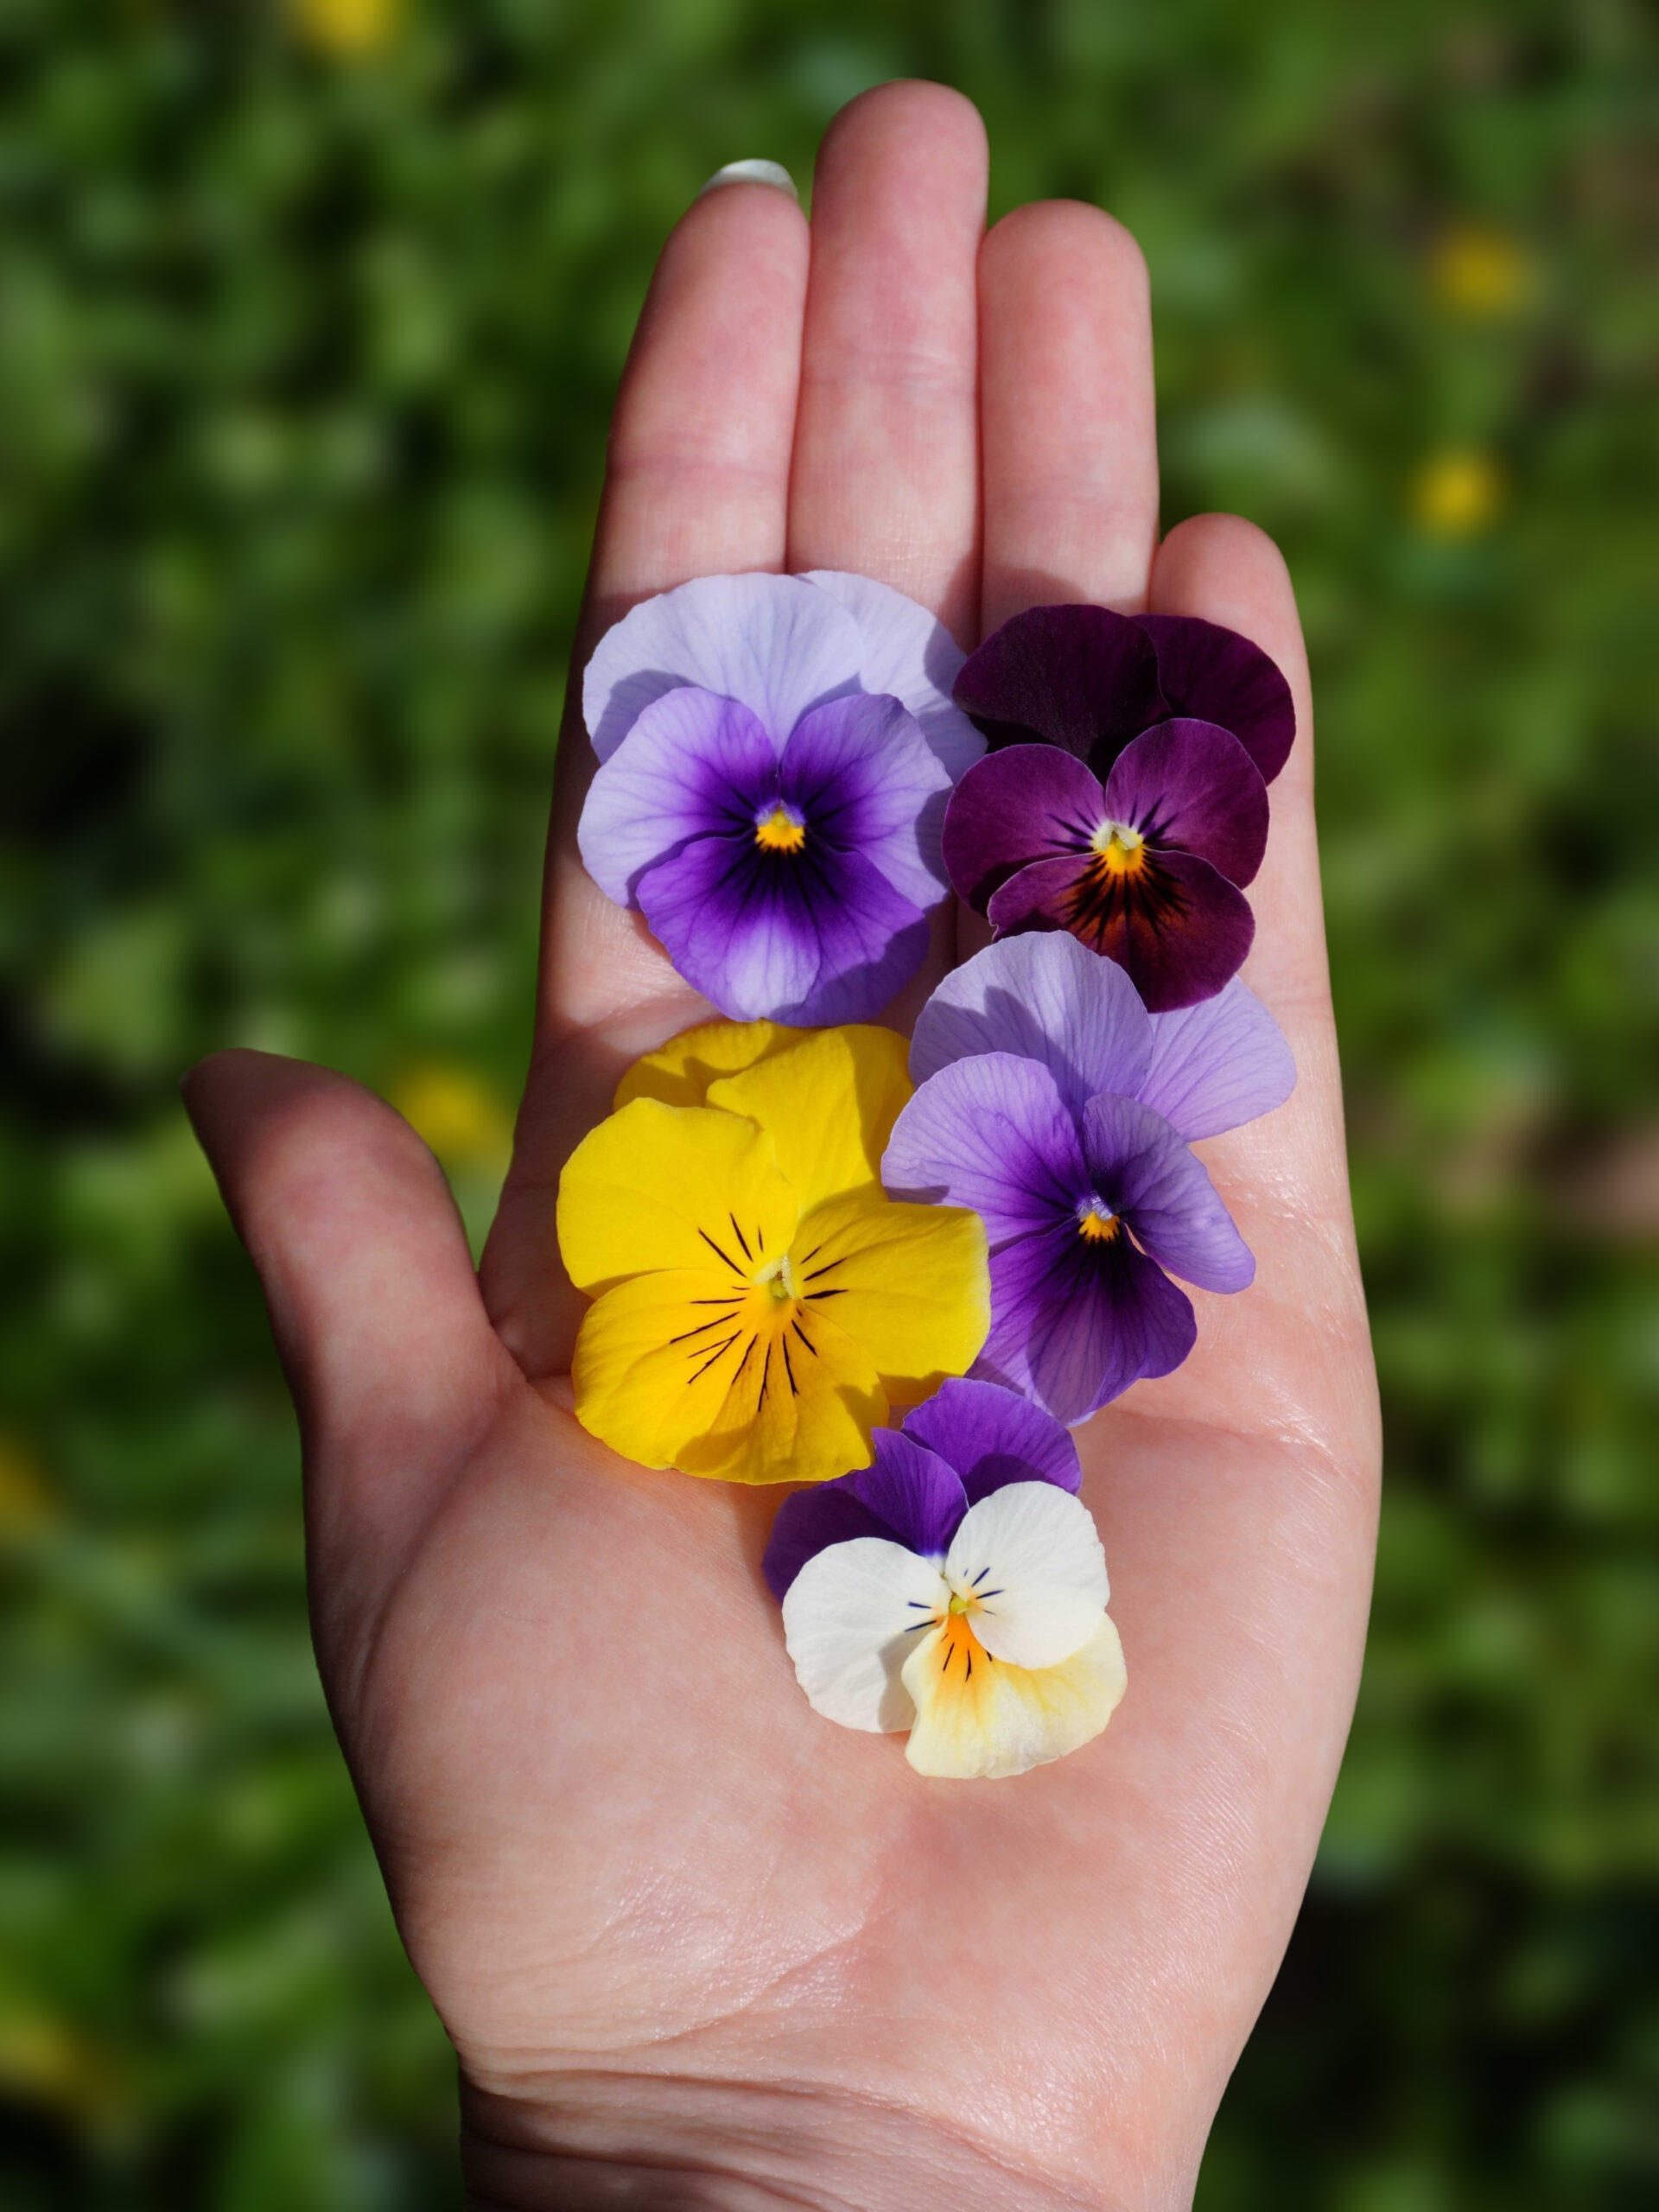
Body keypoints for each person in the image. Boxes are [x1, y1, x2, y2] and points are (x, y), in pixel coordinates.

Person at [182, 81, 1381, 2212]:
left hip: (862, 1208)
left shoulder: (898, 1254)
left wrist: (683, 2130)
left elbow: (866, 1204)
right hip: (861, 1197)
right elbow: (869, 1194)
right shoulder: (902, 1256)